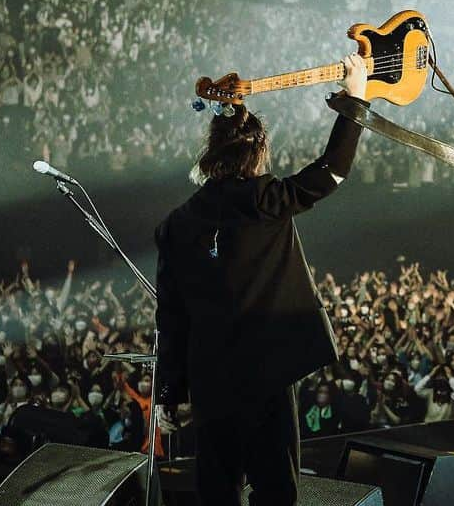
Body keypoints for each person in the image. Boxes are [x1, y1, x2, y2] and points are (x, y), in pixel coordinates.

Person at [153, 53, 369, 506]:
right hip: (268, 376)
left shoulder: (176, 224)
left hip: (212, 381)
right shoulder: (267, 199)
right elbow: (333, 168)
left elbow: (170, 317)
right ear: (257, 151)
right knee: (275, 490)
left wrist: (169, 392)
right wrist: (357, 95)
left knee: (217, 490)